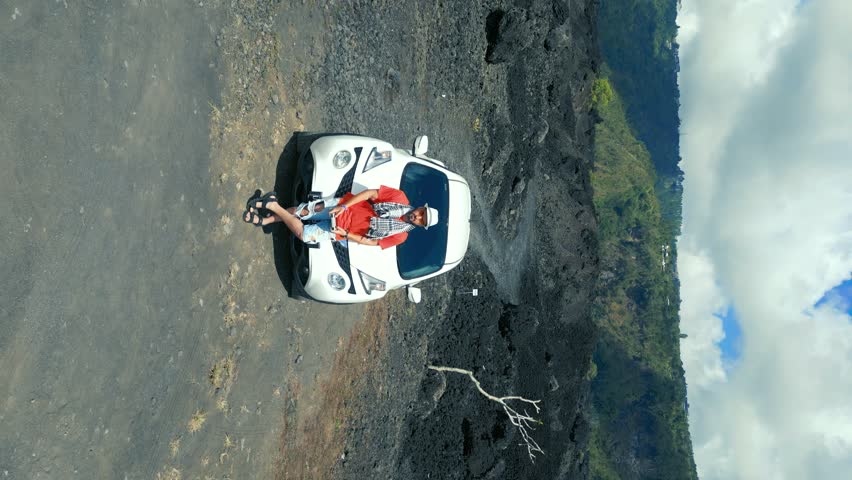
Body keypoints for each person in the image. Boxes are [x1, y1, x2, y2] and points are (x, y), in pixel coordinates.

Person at [242, 186, 438, 248]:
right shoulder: (400, 198)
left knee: (304, 234)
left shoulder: (402, 236)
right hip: (342, 208)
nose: (418, 217)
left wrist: (345, 235)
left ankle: (272, 205)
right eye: (422, 213)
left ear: (421, 226)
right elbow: (370, 194)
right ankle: (268, 217)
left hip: (341, 231)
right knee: (304, 211)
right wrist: (343, 206)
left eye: (422, 220)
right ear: (420, 207)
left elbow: (373, 242)